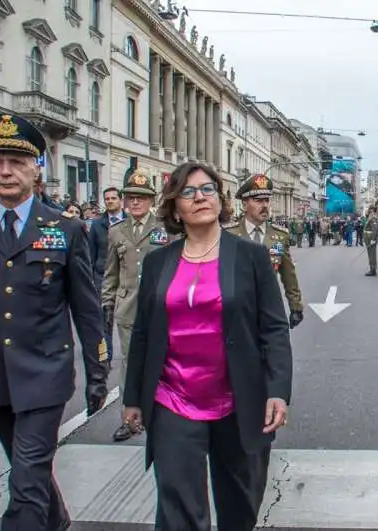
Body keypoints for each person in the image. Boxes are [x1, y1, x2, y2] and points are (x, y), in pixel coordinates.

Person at [0, 113, 109, 530]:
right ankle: (58, 520)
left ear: (37, 168)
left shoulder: (66, 229)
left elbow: (86, 309)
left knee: (25, 480)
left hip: (45, 373)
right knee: (26, 466)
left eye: (17, 161)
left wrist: (98, 371)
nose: (7, 171)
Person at [122, 161, 292, 531]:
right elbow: (143, 334)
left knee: (239, 506)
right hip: (173, 399)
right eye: (189, 192)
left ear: (220, 199)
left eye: (208, 190)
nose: (200, 197)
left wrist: (277, 391)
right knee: (179, 508)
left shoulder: (251, 257)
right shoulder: (157, 262)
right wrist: (133, 396)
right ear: (174, 207)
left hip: (238, 399)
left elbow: (274, 329)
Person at [102, 169, 169, 442]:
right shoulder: (116, 232)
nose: (136, 203)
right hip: (129, 307)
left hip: (159, 308)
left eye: (142, 198)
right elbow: (111, 272)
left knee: (163, 362)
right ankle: (128, 419)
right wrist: (107, 301)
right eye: (131, 198)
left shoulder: (165, 229)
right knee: (130, 364)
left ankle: (160, 414)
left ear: (151, 201)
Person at [224, 174, 304, 329]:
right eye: (258, 201)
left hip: (269, 308)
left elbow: (288, 274)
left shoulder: (279, 236)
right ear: (244, 204)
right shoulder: (229, 234)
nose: (265, 205)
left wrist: (296, 306)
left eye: (267, 200)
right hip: (235, 309)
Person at [364, 205, 378, 276]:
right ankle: (372, 268)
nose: (369, 210)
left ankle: (373, 270)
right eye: (369, 209)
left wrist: (373, 239)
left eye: (371, 209)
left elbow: (375, 229)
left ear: (373, 210)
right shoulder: (369, 217)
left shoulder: (373, 217)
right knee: (370, 254)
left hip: (371, 238)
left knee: (372, 254)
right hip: (368, 237)